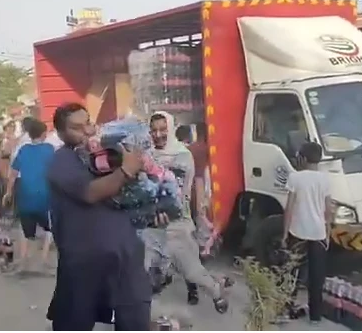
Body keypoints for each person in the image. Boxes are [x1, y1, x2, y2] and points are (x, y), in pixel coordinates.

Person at [46, 103, 151, 331]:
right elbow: (90, 193)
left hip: (126, 256)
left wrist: (156, 210)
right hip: (84, 261)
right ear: (62, 133)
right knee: (74, 321)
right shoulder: (61, 161)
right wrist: (125, 171)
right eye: (77, 128)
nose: (87, 131)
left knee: (135, 319)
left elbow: (137, 196)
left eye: (88, 123)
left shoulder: (110, 152)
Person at [147, 111, 230, 313]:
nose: (157, 135)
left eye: (162, 130)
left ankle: (216, 290)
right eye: (154, 130)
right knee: (147, 268)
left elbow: (177, 192)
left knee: (192, 272)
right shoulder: (146, 154)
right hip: (151, 225)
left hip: (176, 225)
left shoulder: (182, 156)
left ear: (171, 129)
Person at [281, 141, 332, 323]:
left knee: (292, 273)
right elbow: (328, 210)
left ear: (302, 158)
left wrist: (285, 233)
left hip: (298, 232)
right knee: (316, 277)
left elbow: (289, 208)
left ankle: (286, 309)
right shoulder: (325, 179)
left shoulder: (296, 178)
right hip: (318, 233)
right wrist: (327, 232)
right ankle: (315, 317)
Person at [3, 119, 55, 271]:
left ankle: (24, 259)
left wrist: (8, 192)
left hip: (25, 194)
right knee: (49, 228)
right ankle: (43, 259)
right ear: (44, 134)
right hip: (45, 194)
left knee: (25, 229)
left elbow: (13, 174)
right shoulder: (49, 149)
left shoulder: (24, 149)